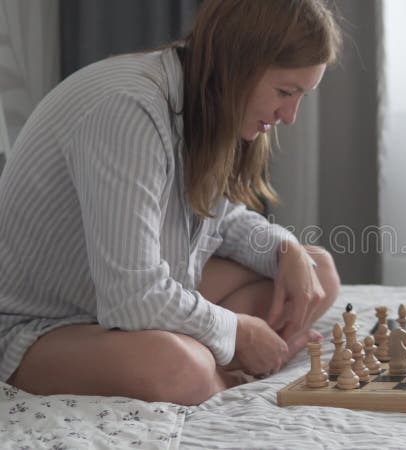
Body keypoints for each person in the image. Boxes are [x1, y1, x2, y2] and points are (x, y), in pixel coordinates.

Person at [0, 0, 342, 406]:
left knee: (315, 269)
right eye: (285, 92)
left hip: (106, 302)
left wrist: (284, 247)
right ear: (238, 65)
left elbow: (217, 219)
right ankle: (224, 373)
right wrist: (237, 332)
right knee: (178, 367)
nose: (290, 116)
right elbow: (133, 296)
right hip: (43, 327)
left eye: (301, 95)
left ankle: (222, 359)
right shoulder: (127, 110)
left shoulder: (201, 100)